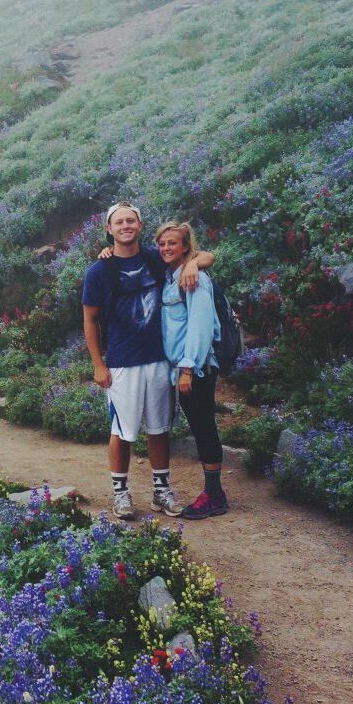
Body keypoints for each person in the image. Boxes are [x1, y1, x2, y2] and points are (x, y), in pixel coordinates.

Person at [81, 201, 212, 519]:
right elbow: (89, 320)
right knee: (122, 431)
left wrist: (195, 264)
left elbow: (204, 255)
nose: (125, 226)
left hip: (158, 359)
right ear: (109, 229)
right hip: (122, 362)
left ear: (140, 226)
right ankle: (121, 493)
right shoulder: (99, 271)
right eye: (119, 222)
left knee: (158, 428)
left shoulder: (156, 259)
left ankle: (161, 491)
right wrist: (98, 364)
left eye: (131, 221)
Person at [155, 222, 229, 518]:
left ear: (185, 247)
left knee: (204, 427)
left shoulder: (194, 278)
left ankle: (214, 495)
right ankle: (214, 492)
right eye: (162, 244)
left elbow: (200, 328)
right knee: (200, 427)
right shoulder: (171, 277)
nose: (165, 249)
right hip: (184, 369)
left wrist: (186, 369)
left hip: (196, 368)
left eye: (172, 243)